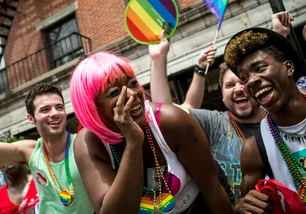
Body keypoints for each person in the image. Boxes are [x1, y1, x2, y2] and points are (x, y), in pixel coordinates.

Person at [149, 12, 297, 203]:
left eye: (242, 81)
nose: (238, 89)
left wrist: (279, 34)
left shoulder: (279, 114)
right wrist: (158, 58)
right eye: (229, 85)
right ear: (222, 93)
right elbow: (165, 114)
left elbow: (279, 75)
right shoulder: (214, 123)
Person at [70, 51, 235, 214]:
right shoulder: (88, 142)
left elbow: (213, 190)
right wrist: (133, 144)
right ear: (93, 108)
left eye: (133, 83)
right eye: (114, 92)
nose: (132, 94)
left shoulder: (172, 121)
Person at [224, 27, 306, 213]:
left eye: (259, 68)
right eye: (244, 78)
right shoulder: (254, 150)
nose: (251, 81)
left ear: (288, 67)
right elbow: (247, 204)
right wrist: (242, 207)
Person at [0, 83, 93, 213]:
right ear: (31, 119)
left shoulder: (83, 143)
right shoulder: (30, 150)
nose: (55, 113)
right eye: (45, 109)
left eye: (59, 107)